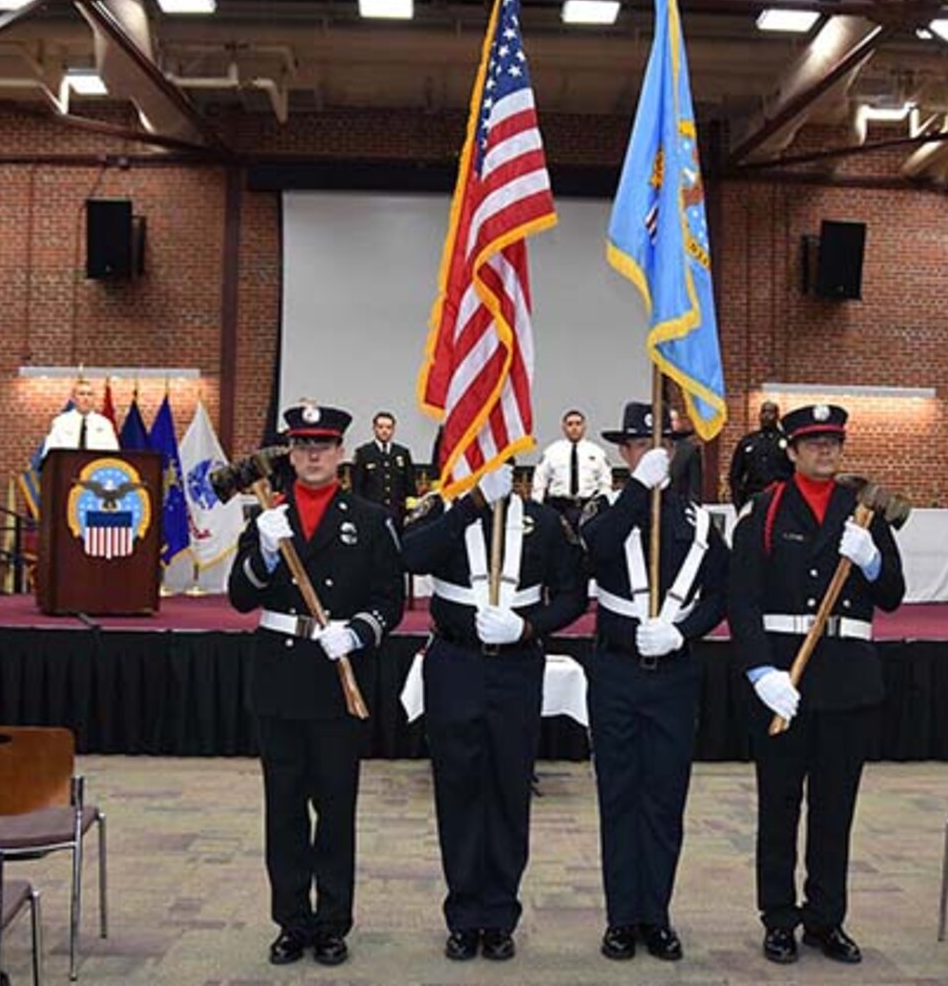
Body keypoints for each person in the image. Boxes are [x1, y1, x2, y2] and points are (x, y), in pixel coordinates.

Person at [227, 402, 405, 968]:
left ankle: (331, 923)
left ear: (341, 454)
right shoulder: (266, 517)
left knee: (334, 809)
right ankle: (290, 922)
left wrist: (357, 633)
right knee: (282, 810)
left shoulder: (371, 519)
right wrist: (263, 556)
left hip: (336, 680)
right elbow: (240, 597)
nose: (312, 455)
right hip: (279, 679)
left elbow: (390, 602)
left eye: (322, 446)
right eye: (302, 445)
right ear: (290, 453)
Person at [728, 403, 905, 967]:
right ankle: (778, 919)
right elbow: (743, 600)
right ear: (792, 450)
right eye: (813, 442)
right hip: (784, 677)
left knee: (835, 811)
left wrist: (873, 562)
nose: (825, 450)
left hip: (846, 683)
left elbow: (894, 596)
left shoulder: (867, 511)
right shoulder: (765, 509)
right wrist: (760, 673)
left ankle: (826, 920)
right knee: (777, 809)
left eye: (833, 441)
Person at [401, 462, 587, 962]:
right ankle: (463, 916)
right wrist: (472, 504)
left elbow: (573, 594)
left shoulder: (544, 522)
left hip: (516, 665)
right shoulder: (444, 512)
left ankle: (500, 914)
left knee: (508, 792)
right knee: (458, 791)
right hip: (455, 663)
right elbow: (412, 555)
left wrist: (530, 628)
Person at [580, 402, 727, 962]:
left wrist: (683, 631)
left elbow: (719, 593)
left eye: (662, 447)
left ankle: (656, 915)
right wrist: (639, 491)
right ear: (625, 453)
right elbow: (593, 548)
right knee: (618, 797)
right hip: (616, 670)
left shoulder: (696, 521)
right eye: (642, 446)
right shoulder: (607, 509)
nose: (653, 455)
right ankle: (621, 917)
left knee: (664, 800)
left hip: (674, 673)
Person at [529, 409, 612, 529]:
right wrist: (537, 510)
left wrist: (602, 507)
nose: (574, 428)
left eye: (578, 424)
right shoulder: (552, 452)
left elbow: (605, 483)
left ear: (584, 427)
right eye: (570, 424)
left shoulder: (597, 452)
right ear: (563, 427)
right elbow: (540, 482)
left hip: (587, 508)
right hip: (558, 508)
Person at [349, 411, 418, 528]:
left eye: (388, 427)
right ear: (374, 428)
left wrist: (410, 510)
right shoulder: (364, 453)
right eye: (380, 427)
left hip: (397, 514)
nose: (384, 431)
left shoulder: (402, 453)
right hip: (371, 514)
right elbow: (357, 487)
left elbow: (410, 486)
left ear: (393, 429)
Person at [728, 401, 793, 508]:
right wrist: (738, 501)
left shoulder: (787, 442)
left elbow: (795, 471)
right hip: (753, 496)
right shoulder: (748, 441)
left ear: (777, 416)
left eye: (771, 412)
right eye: (763, 412)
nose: (766, 416)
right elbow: (735, 474)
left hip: (780, 497)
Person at [42, 379, 119, 454]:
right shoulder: (61, 422)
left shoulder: (104, 424)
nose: (86, 398)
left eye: (90, 394)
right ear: (73, 398)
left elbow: (114, 453)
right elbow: (49, 452)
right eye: (81, 394)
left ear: (94, 398)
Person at [666, 407, 703, 504]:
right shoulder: (651, 449)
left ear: (678, 423)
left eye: (673, 420)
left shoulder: (689, 450)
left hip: (680, 506)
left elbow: (694, 486)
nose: (670, 424)